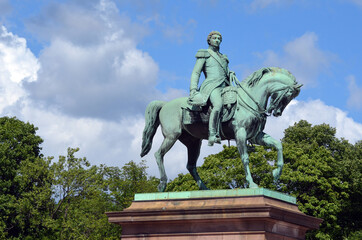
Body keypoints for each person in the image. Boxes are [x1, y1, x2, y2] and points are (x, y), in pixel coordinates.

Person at [188, 31, 237, 146]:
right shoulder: (204, 54)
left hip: (225, 86)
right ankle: (212, 133)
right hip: (212, 86)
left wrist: (230, 73)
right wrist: (193, 89)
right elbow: (196, 73)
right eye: (214, 38)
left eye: (219, 39)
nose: (217, 40)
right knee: (218, 105)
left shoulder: (223, 57)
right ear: (209, 40)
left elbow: (224, 72)